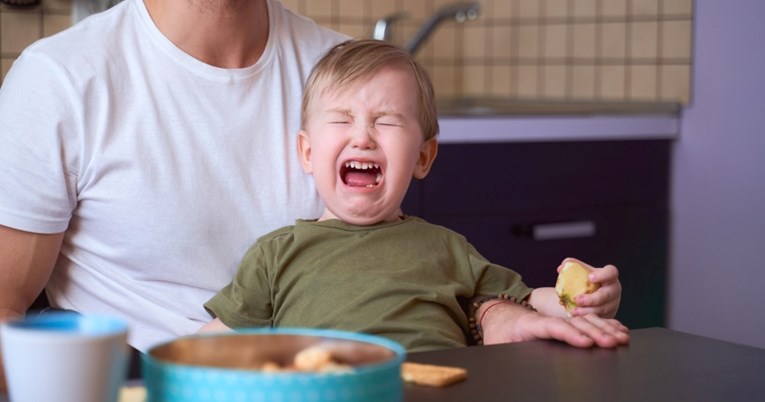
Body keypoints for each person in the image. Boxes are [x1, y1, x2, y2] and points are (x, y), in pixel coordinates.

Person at [200, 39, 629, 351]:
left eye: (385, 121)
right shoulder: (276, 255)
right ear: (308, 153)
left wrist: (585, 301)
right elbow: (206, 353)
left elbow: (529, 302)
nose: (362, 138)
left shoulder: (447, 247)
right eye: (342, 120)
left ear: (423, 157)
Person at [0, 0, 348, 356]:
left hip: (315, 379)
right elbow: (4, 309)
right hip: (132, 382)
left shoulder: (346, 76)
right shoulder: (58, 78)